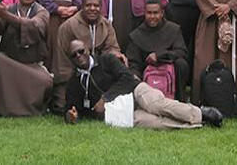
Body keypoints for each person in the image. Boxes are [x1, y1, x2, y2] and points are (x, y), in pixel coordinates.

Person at [64, 40, 222, 128]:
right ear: (70, 59)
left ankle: (201, 114)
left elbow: (126, 77)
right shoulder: (74, 83)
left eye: (81, 51)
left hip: (135, 91)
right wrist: (71, 115)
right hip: (120, 113)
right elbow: (72, 108)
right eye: (74, 55)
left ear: (87, 49)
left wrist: (105, 98)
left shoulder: (106, 59)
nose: (79, 56)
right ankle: (197, 125)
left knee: (157, 106)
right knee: (155, 123)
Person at [0, 0, 52, 116]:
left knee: (46, 81)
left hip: (33, 65)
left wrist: (5, 15)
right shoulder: (9, 9)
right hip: (11, 62)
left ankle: (32, 109)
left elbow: (34, 26)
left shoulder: (42, 12)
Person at [53, 0, 123, 111]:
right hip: (75, 76)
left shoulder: (106, 25)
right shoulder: (68, 26)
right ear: (82, 6)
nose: (92, 9)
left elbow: (112, 48)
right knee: (63, 107)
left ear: (101, 8)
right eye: (88, 5)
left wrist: (116, 54)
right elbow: (62, 61)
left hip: (100, 75)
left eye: (96, 6)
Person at [126, 0, 189, 101]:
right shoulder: (137, 34)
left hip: (171, 74)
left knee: (181, 64)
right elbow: (133, 61)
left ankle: (180, 100)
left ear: (162, 13)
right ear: (144, 13)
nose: (152, 16)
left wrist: (159, 55)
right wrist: (135, 75)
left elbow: (181, 52)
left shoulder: (173, 29)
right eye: (149, 13)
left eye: (156, 13)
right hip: (147, 77)